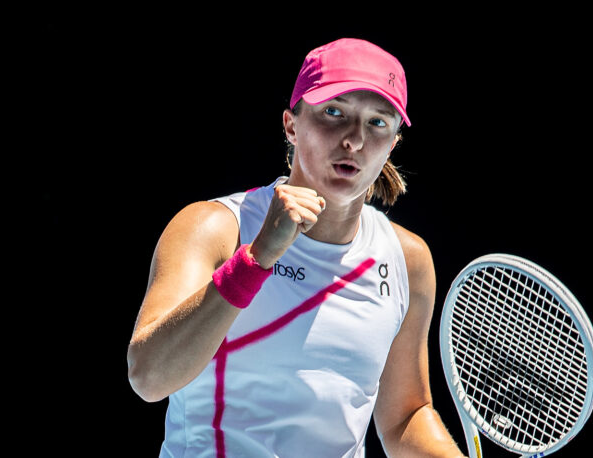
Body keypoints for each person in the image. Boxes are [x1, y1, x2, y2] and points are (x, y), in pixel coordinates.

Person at [127, 38, 466, 457]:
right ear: (291, 124)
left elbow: (404, 417)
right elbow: (149, 378)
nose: (354, 140)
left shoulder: (407, 261)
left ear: (393, 143)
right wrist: (256, 259)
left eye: (377, 122)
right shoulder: (212, 227)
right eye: (334, 112)